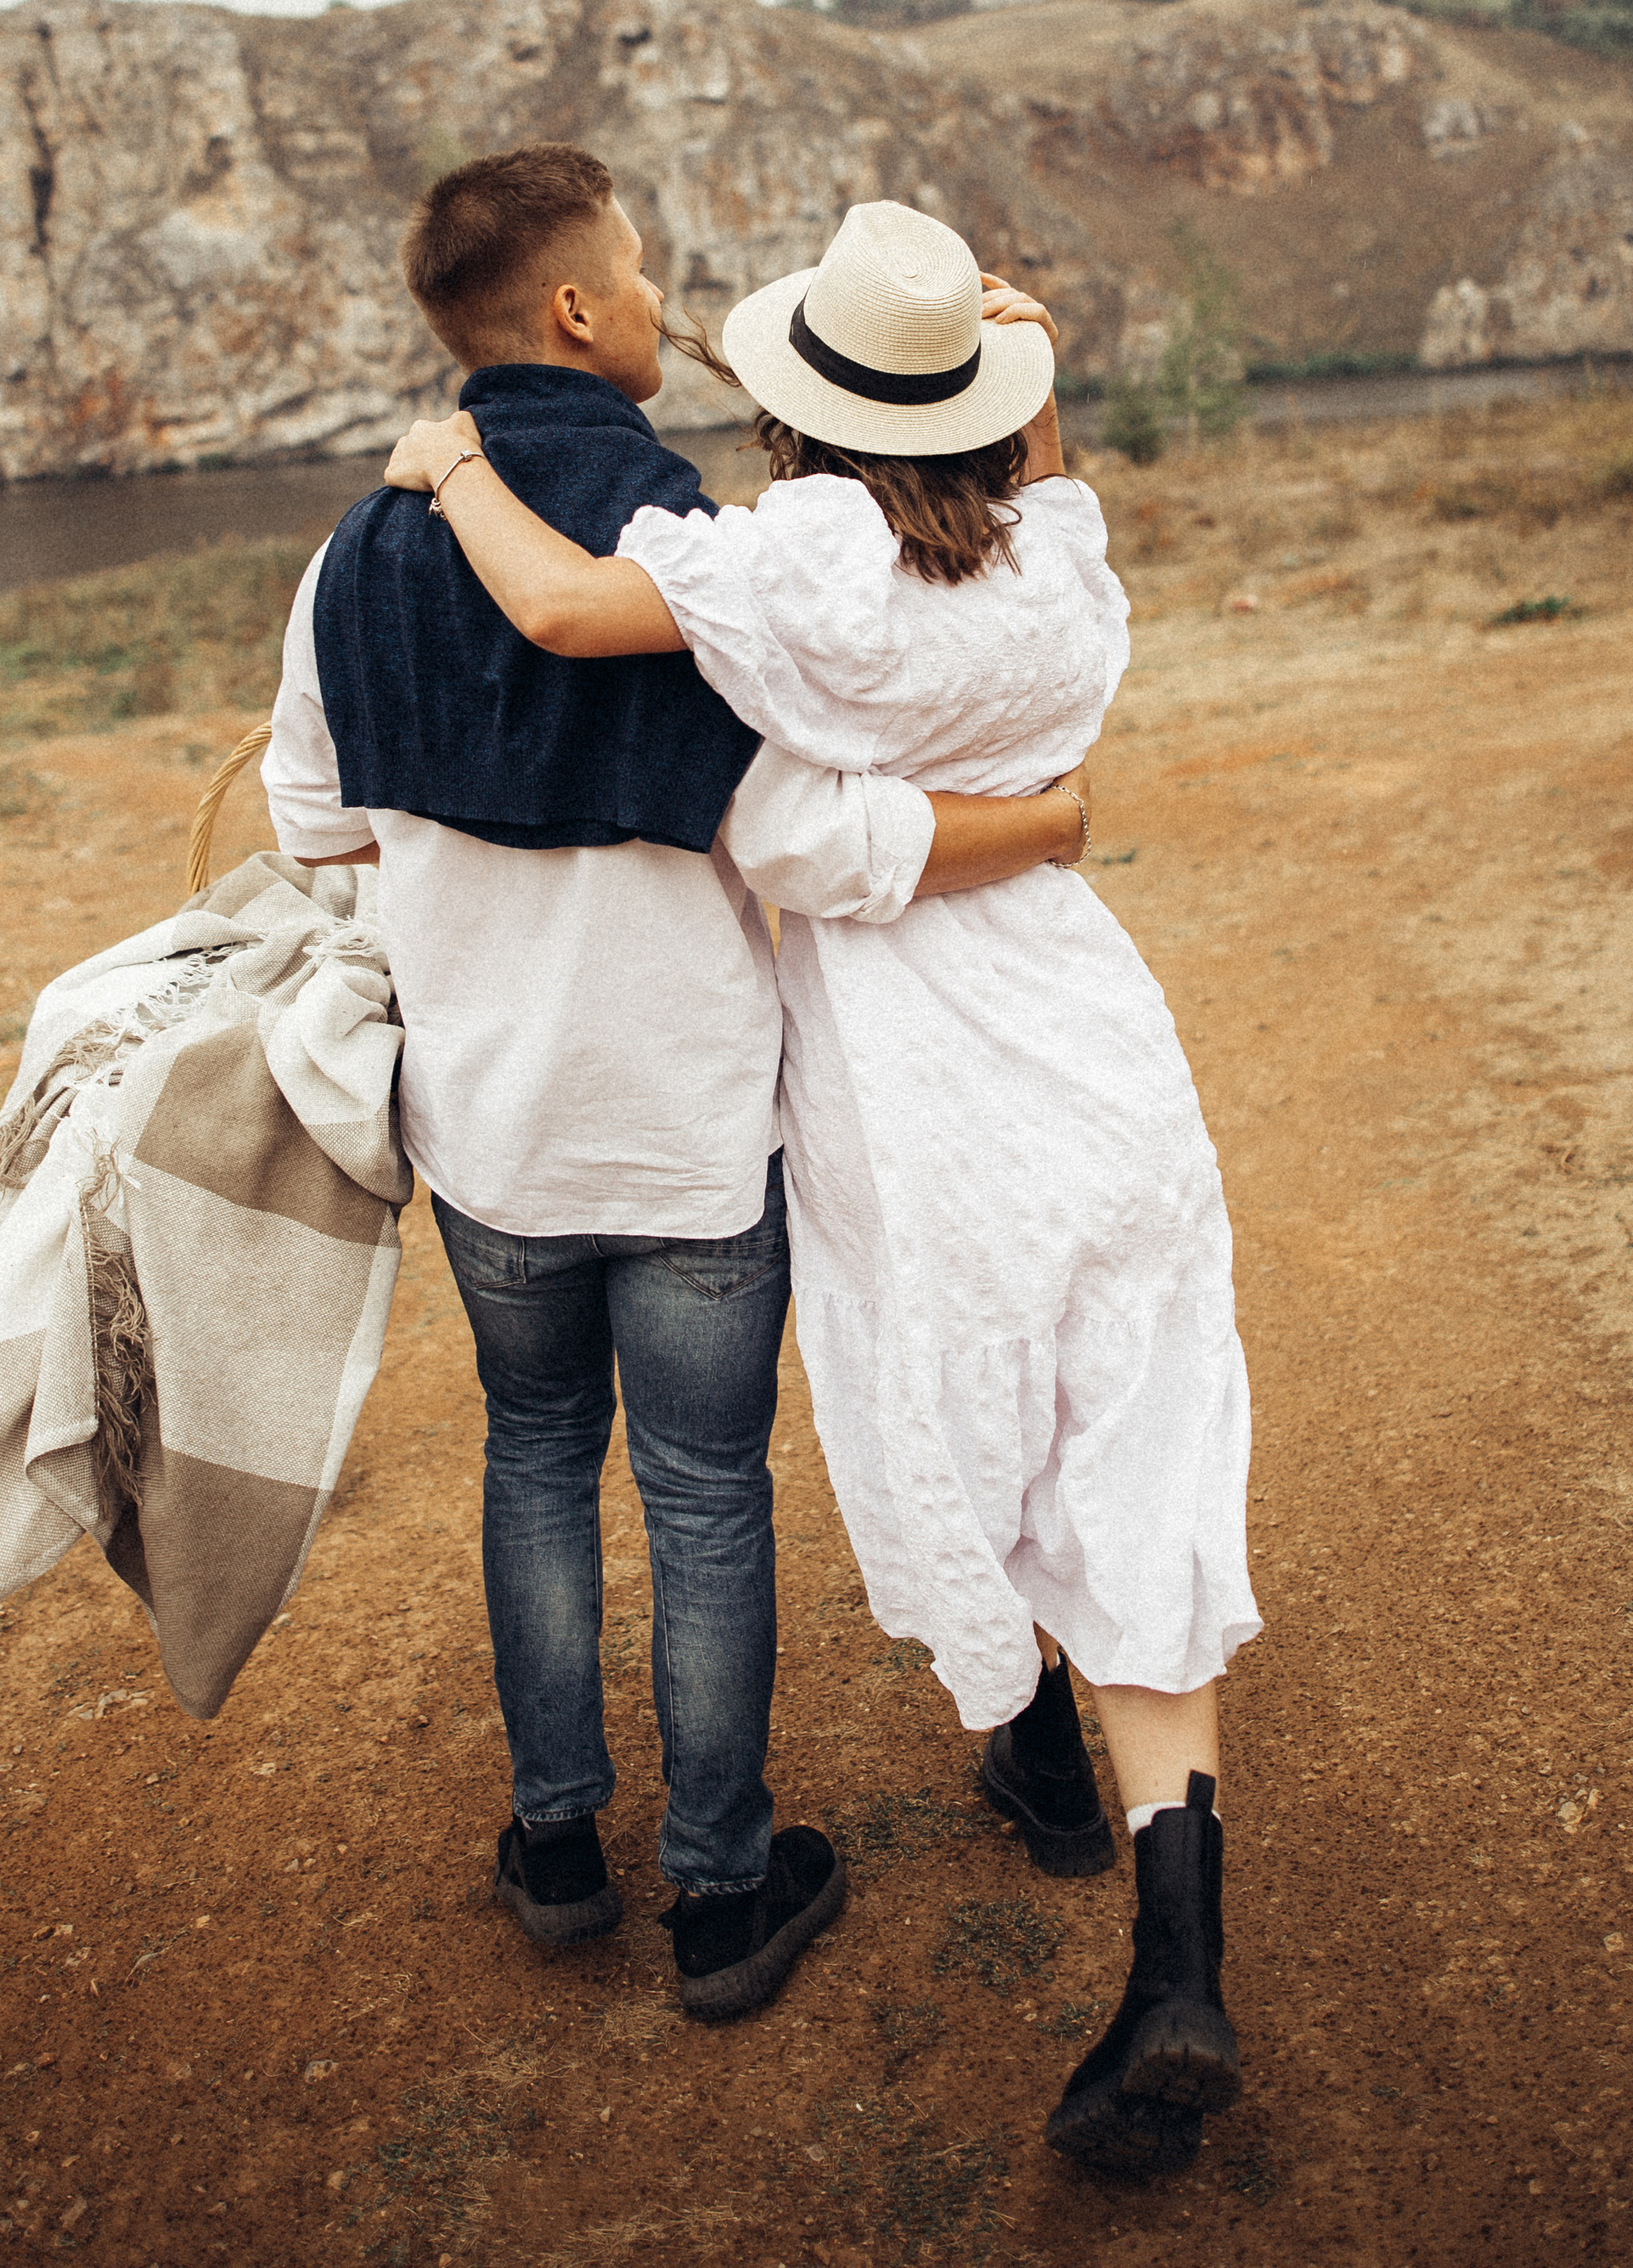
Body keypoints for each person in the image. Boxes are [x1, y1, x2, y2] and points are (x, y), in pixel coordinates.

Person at [382, 196, 1261, 2176]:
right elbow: (1025, 498)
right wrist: (1017, 412)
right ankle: (1167, 1945)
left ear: (796, 417)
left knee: (954, 1424)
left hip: (905, 1087)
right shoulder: (1058, 569)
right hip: (1097, 1058)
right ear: (987, 406)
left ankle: (1027, 1734)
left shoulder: (798, 570)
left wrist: (450, 468)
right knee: (1123, 1448)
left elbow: (562, 612)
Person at [262, 144, 1093, 2026]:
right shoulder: (704, 561)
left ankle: (557, 1845)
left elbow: (312, 825)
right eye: (637, 277)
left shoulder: (361, 547)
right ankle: (720, 1894)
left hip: (485, 1123)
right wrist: (1038, 815)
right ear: (573, 309)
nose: (660, 302)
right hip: (697, 1121)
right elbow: (809, 828)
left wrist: (469, 862)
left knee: (533, 1458)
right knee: (705, 1491)